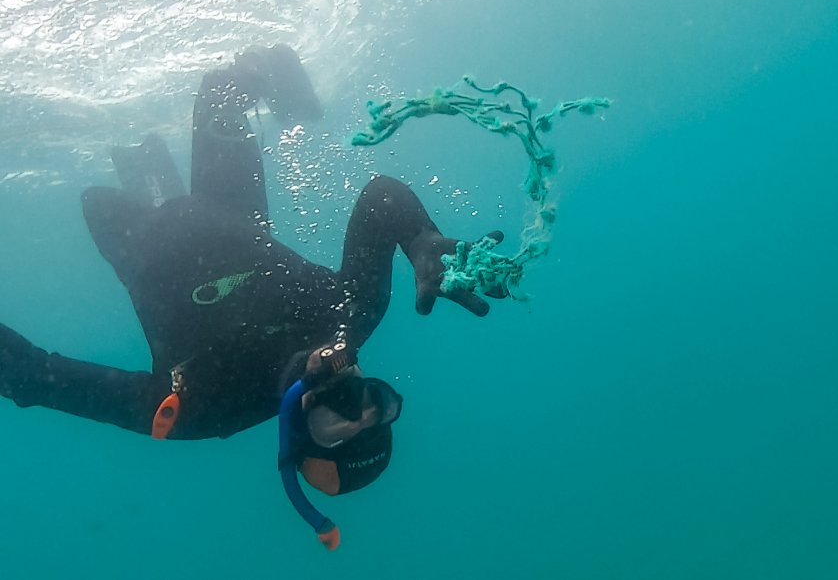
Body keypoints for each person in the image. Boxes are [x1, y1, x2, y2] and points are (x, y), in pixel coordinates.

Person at [0, 44, 505, 550]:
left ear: (298, 434)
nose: (347, 392)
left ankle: (136, 150)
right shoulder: (352, 316)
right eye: (373, 401)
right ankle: (261, 79)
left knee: (104, 190)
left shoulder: (199, 409)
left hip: (142, 238)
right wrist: (419, 237)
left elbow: (33, 376)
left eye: (335, 423)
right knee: (223, 87)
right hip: (231, 213)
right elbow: (381, 199)